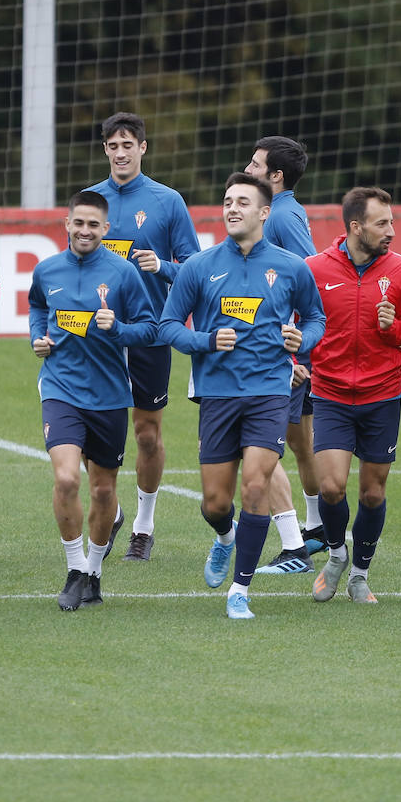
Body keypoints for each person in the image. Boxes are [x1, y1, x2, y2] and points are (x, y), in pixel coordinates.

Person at [158, 173, 326, 619]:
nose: (232, 208)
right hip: (217, 394)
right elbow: (169, 325)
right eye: (227, 200)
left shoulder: (292, 266)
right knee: (215, 503)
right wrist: (207, 340)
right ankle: (224, 537)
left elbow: (315, 319)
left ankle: (240, 589)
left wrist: (300, 340)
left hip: (270, 391)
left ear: (264, 212)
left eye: (243, 202)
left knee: (255, 484)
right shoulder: (199, 266)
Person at [28, 191, 158, 610]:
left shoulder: (122, 274)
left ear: (105, 229)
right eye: (77, 223)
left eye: (93, 225)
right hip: (60, 389)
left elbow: (149, 328)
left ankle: (94, 571)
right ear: (67, 224)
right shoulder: (47, 270)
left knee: (104, 492)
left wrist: (117, 327)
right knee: (67, 479)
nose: (84, 231)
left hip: (109, 397)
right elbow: (36, 306)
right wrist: (39, 336)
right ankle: (74, 569)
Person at [86, 112, 201, 562]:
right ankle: (111, 509)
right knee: (87, 430)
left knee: (147, 434)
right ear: (105, 151)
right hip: (100, 337)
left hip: (150, 332)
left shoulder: (167, 201)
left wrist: (164, 267)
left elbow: (193, 264)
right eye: (112, 146)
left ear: (142, 148)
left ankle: (143, 525)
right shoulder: (90, 200)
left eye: (127, 145)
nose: (120, 153)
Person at [304, 187, 401, 603]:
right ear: (355, 227)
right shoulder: (314, 269)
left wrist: (395, 328)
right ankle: (336, 555)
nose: (391, 231)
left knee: (372, 492)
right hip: (331, 392)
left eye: (391, 221)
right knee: (331, 487)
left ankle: (359, 574)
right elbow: (297, 322)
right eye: (381, 223)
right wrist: (299, 356)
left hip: (382, 395)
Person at [243, 136, 323, 574]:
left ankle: (294, 546)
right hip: (287, 350)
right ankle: (316, 529)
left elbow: (310, 275)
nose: (248, 169)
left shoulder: (282, 216)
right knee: (299, 440)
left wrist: (298, 348)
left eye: (255, 166)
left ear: (276, 177)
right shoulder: (283, 211)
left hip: (280, 353)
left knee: (264, 446)